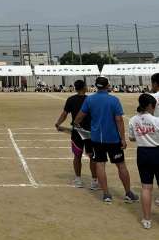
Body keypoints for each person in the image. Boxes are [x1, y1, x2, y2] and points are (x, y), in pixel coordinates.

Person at [74, 76, 138, 204]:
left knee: (100, 165)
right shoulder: (114, 100)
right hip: (113, 138)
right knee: (121, 165)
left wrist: (78, 125)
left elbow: (79, 118)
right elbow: (119, 120)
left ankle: (106, 194)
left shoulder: (89, 99)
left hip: (96, 138)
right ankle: (128, 193)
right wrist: (123, 139)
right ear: (107, 86)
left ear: (96, 86)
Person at [55, 80, 98, 189]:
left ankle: (78, 180)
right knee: (92, 156)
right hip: (89, 131)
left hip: (77, 132)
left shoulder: (71, 99)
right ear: (84, 87)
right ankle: (94, 181)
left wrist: (58, 123)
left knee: (77, 156)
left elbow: (64, 114)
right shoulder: (90, 100)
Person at [128, 93, 159, 229]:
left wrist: (143, 135)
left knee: (146, 187)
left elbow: (132, 138)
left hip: (142, 153)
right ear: (150, 106)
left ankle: (147, 219)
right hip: (157, 151)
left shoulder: (133, 120)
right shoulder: (156, 120)